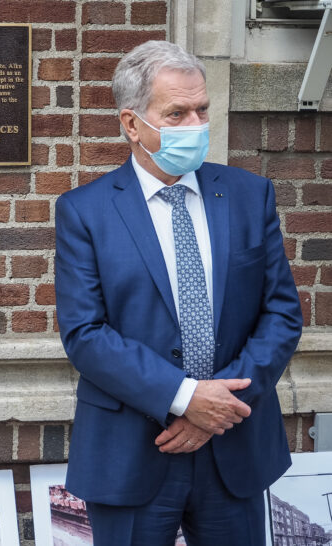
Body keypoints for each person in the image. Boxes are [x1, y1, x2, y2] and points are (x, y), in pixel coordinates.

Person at [55, 40, 302, 545]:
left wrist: (218, 410)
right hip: (133, 450)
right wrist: (185, 397)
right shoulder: (85, 211)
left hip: (233, 446)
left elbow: (281, 313)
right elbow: (85, 333)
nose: (196, 124)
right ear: (131, 124)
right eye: (177, 112)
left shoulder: (249, 196)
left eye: (202, 109)